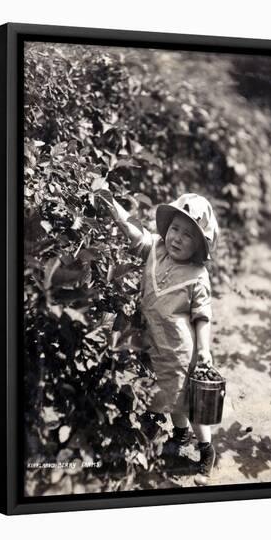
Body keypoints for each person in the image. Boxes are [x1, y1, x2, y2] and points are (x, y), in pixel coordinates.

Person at [97, 190, 219, 485]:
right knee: (169, 398)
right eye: (175, 228)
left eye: (188, 235)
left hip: (180, 350)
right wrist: (115, 209)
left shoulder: (197, 275)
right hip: (153, 344)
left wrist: (204, 350)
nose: (177, 238)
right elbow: (136, 234)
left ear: (199, 244)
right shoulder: (156, 248)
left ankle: (206, 451)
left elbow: (202, 316)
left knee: (189, 403)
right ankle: (180, 437)